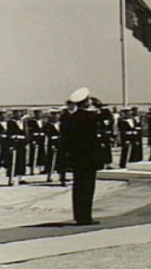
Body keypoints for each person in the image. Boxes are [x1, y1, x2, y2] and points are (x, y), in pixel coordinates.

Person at [61, 87, 103, 225]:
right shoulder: (90, 117)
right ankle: (86, 217)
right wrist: (98, 105)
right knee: (87, 187)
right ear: (86, 101)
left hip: (76, 157)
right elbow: (105, 117)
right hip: (89, 157)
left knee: (78, 187)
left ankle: (79, 215)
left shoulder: (70, 118)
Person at [7, 108, 28, 185]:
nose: (17, 114)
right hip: (14, 142)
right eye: (16, 113)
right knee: (13, 161)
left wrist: (26, 141)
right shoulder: (11, 122)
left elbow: (26, 133)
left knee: (22, 160)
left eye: (19, 112)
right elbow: (9, 134)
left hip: (22, 143)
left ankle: (21, 177)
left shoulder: (24, 122)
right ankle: (12, 178)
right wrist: (10, 145)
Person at [26, 109, 46, 175]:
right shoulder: (31, 121)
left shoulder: (43, 121)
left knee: (42, 154)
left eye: (40, 113)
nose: (38, 115)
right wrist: (32, 140)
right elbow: (29, 131)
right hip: (35, 139)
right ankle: (32, 169)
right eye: (37, 113)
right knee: (33, 154)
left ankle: (41, 168)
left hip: (42, 139)